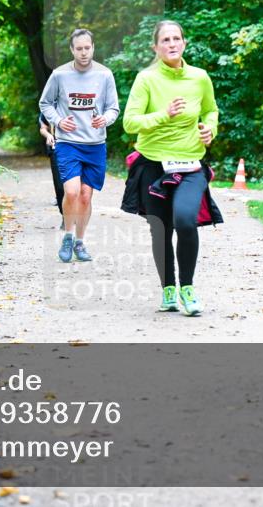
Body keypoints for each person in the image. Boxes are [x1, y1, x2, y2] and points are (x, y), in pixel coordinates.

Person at [121, 20, 223, 316]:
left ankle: (187, 289)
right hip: (153, 165)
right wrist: (163, 115)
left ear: (184, 43)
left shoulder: (200, 78)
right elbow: (130, 123)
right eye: (165, 40)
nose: (172, 44)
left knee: (185, 220)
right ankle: (168, 288)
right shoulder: (146, 79)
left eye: (176, 38)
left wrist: (210, 129)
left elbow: (211, 109)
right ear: (156, 47)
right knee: (160, 229)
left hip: (191, 165)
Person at [39, 29, 120, 263]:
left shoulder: (105, 75)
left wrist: (105, 119)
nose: (84, 53)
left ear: (93, 48)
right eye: (79, 48)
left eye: (87, 48)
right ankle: (67, 236)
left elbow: (113, 108)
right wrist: (58, 120)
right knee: (72, 191)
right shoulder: (59, 75)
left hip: (95, 144)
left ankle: (80, 242)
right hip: (68, 143)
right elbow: (45, 103)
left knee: (85, 196)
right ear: (72, 50)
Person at [38, 112, 65, 223]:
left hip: (75, 147)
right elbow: (43, 128)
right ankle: (65, 215)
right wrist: (48, 135)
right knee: (59, 186)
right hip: (56, 148)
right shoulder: (48, 108)